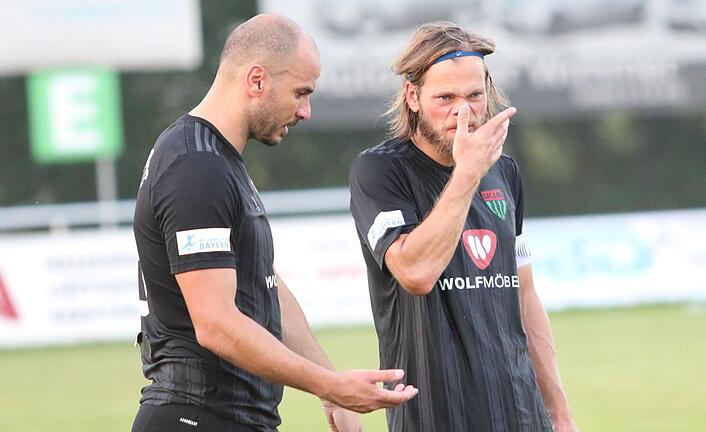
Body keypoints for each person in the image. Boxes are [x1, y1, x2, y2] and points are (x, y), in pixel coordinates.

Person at [132, 14, 417, 432]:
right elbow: (215, 324)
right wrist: (332, 386)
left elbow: (263, 284)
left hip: (229, 417)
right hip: (194, 415)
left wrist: (329, 389)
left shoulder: (219, 161)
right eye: (300, 93)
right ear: (257, 80)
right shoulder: (195, 166)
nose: (306, 111)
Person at [349, 22, 578, 432]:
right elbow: (415, 273)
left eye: (475, 95)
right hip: (437, 416)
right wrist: (468, 173)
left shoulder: (503, 171)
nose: (463, 112)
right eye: (445, 98)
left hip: (521, 414)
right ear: (412, 96)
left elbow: (524, 296)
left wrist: (558, 413)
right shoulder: (380, 171)